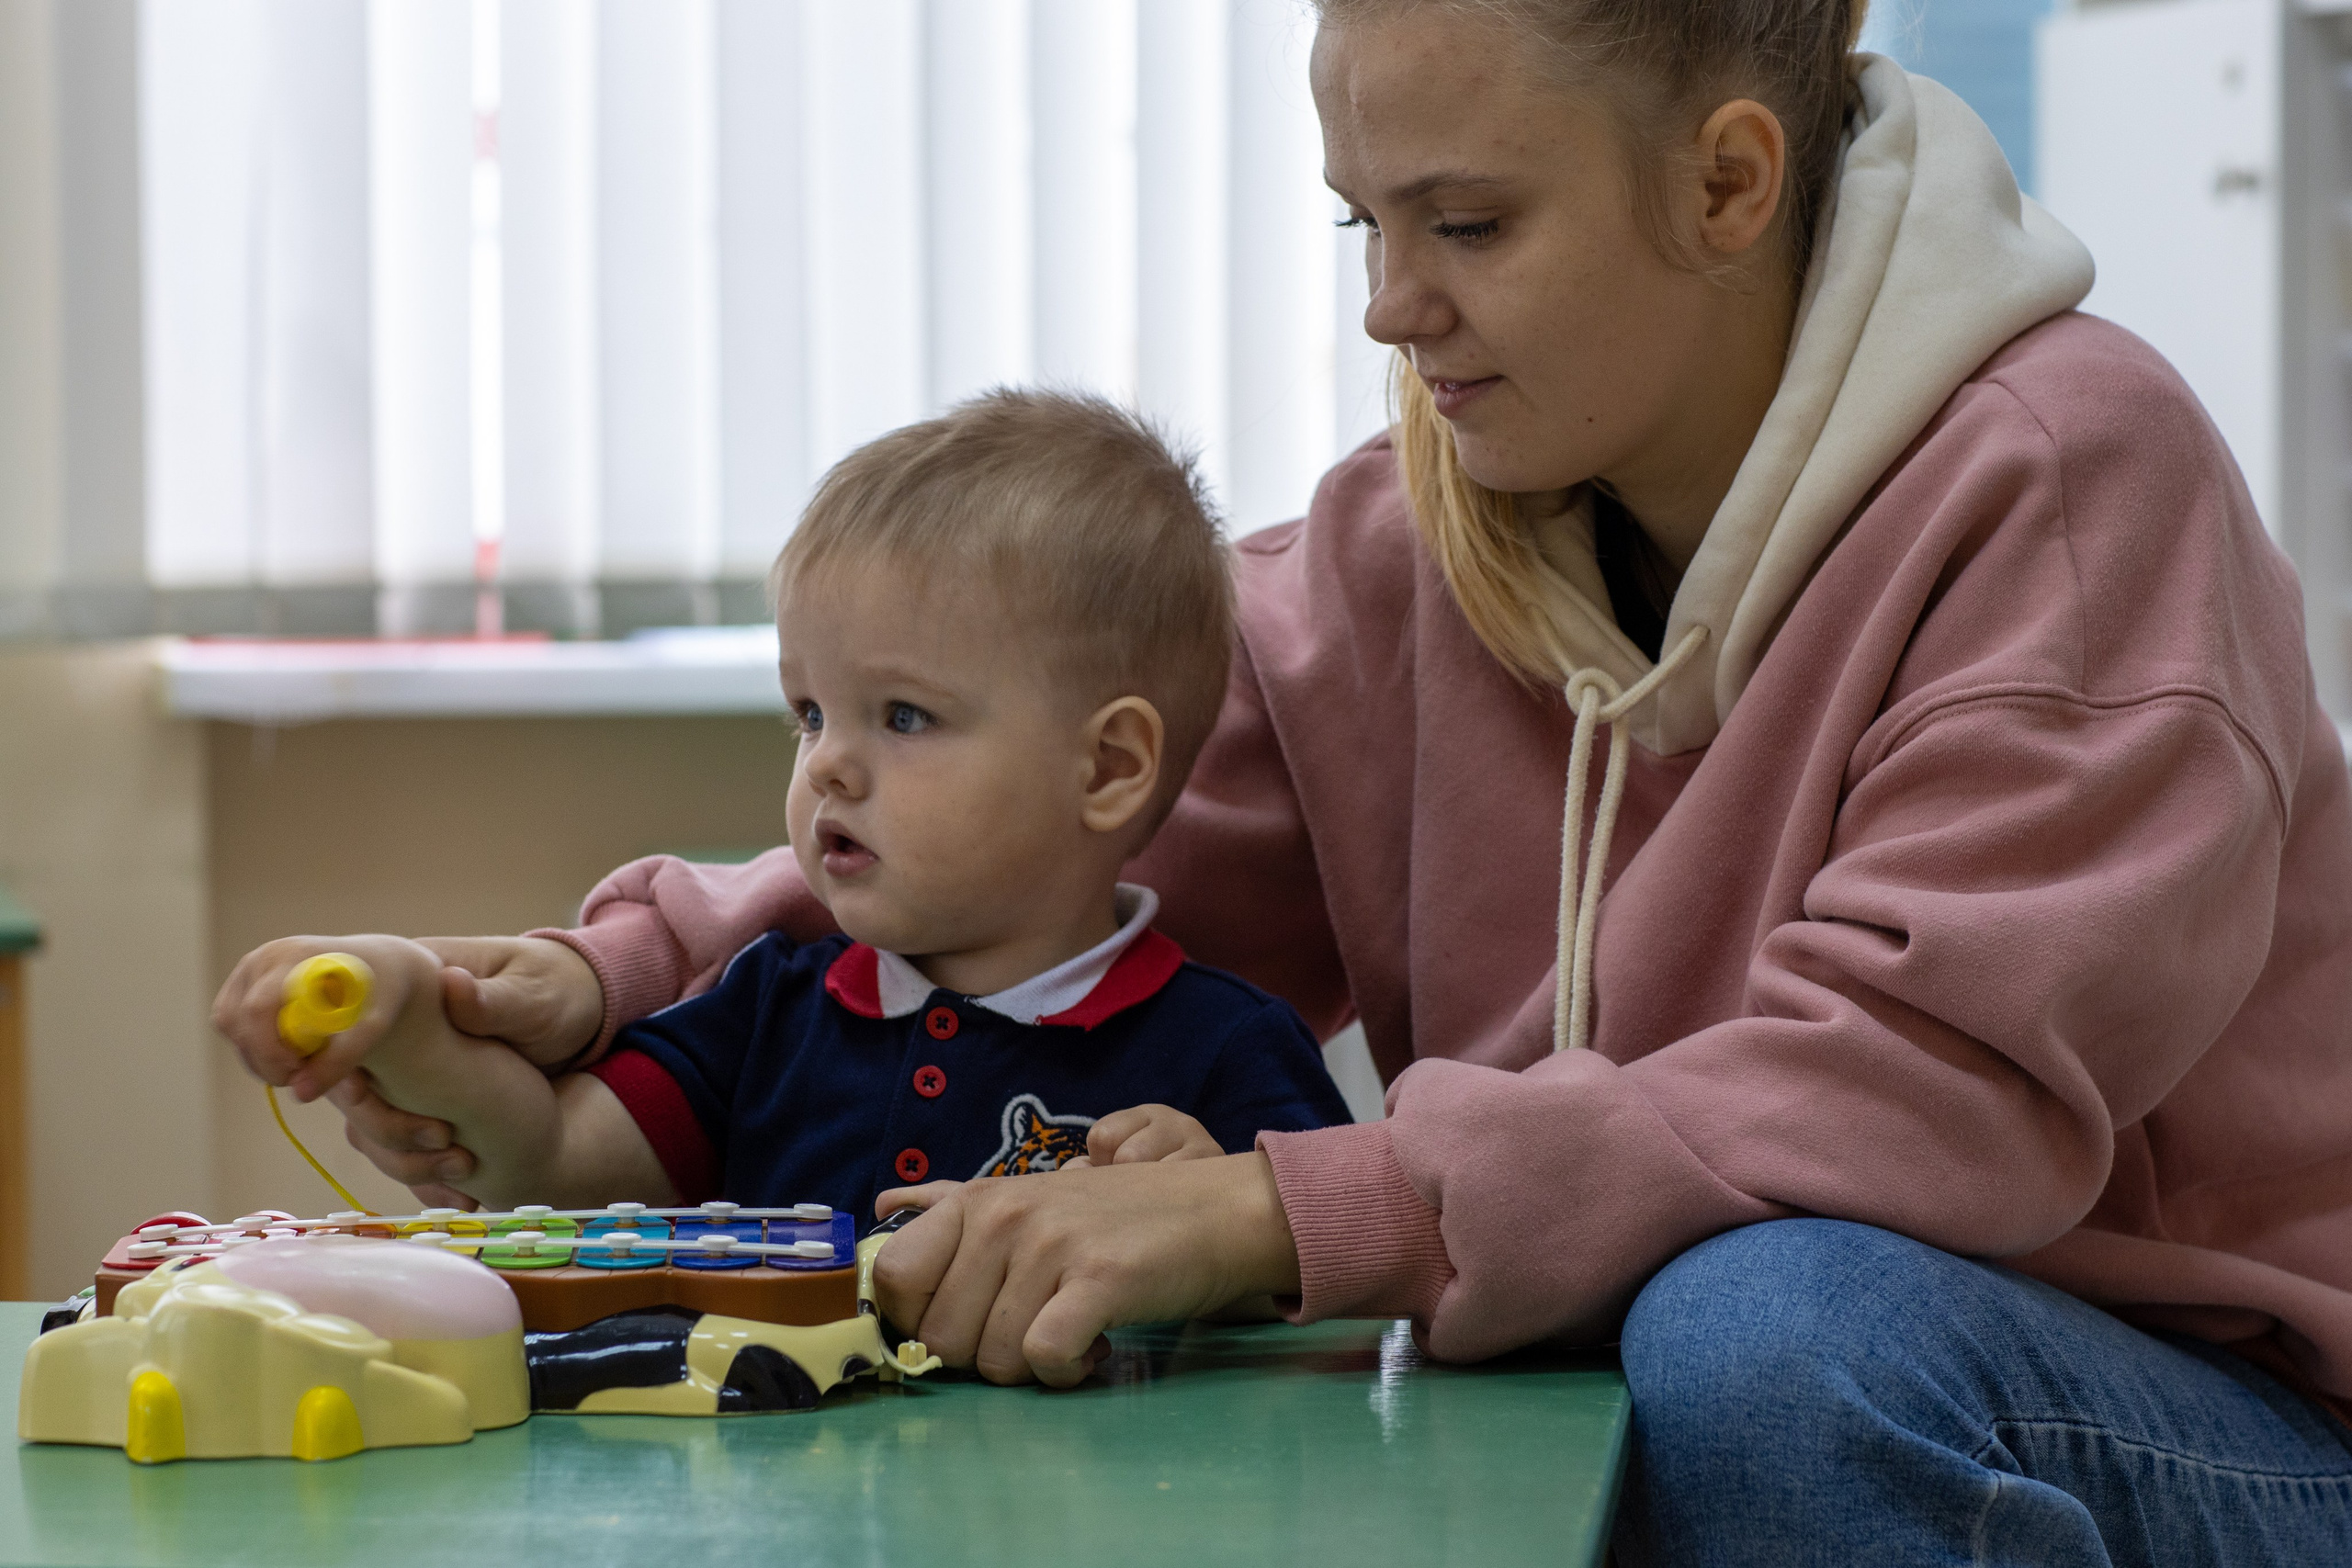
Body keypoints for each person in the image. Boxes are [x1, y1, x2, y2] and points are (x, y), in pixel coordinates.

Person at [228, 1, 2352, 1560]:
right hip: (1726, 1339)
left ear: (1724, 179)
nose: (1386, 306)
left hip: (2195, 1396)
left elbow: (1915, 1093)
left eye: (1462, 221)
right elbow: (1042, 830)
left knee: (1757, 1326)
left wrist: (1278, 1200)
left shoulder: (2065, 485)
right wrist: (597, 979)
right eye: (1358, 220)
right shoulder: (1425, 527)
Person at [214, 390, 1351, 1223]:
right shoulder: (766, 1006)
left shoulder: (1230, 1051)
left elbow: (1336, 1319)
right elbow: (548, 1161)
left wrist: (1205, 1211)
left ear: (1107, 769)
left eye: (902, 717)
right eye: (809, 714)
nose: (829, 770)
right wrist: (409, 1017)